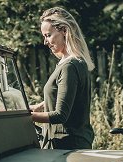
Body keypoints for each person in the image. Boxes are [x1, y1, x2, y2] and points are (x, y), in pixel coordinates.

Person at [30, 7, 95, 150]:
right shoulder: (73, 62)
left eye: (48, 35)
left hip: (67, 147)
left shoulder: (70, 66)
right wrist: (36, 107)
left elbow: (60, 115)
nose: (45, 42)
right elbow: (64, 96)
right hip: (68, 144)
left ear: (64, 31)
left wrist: (26, 118)